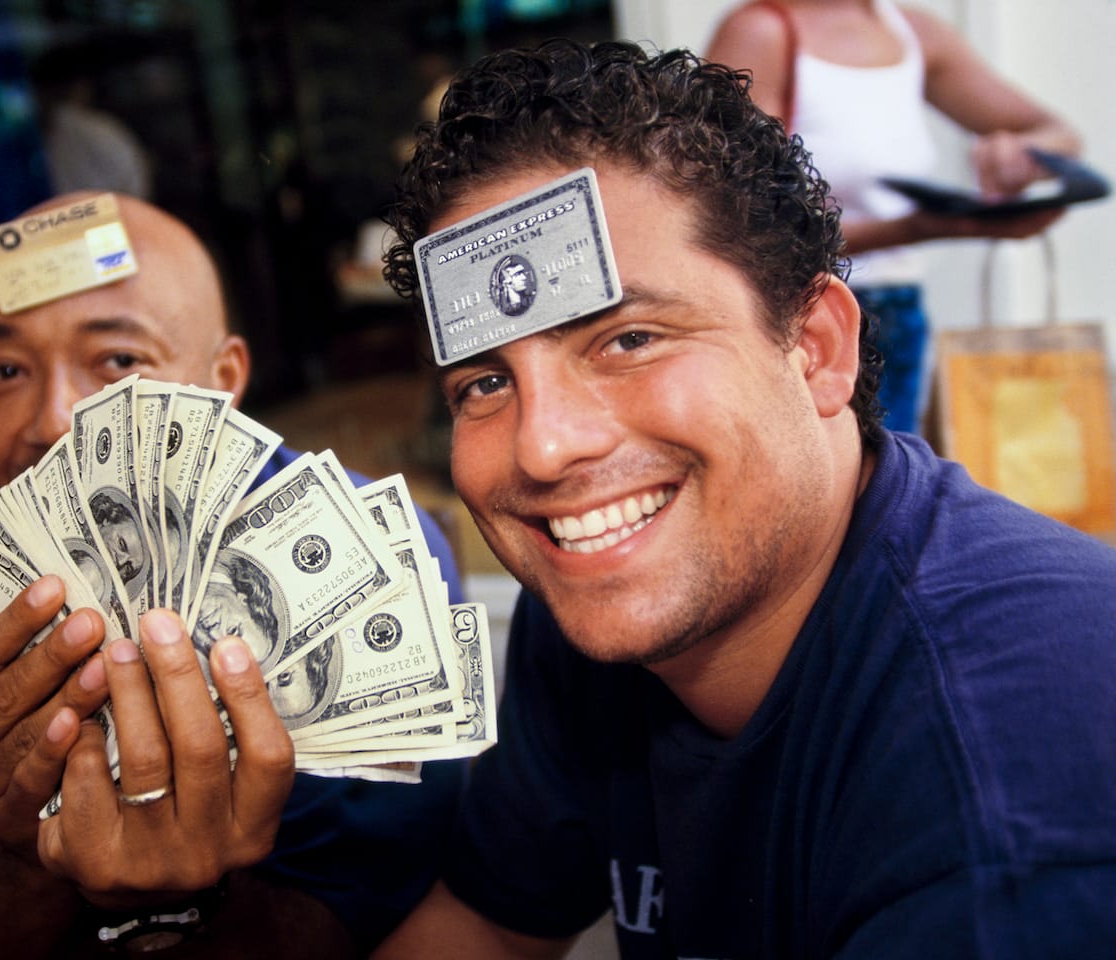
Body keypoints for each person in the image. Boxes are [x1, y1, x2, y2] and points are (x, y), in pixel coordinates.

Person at [362, 40, 1116, 957]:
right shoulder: (604, 602)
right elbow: (490, 927)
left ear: (818, 350)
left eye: (629, 339)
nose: (544, 447)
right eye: (485, 383)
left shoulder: (1004, 812)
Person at [0, 192, 467, 958]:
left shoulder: (367, 563)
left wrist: (179, 891)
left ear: (224, 378)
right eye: (4, 369)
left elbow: (380, 925)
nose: (52, 419)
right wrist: (19, 850)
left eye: (119, 361)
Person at [705, 0, 1082, 433]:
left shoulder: (912, 32)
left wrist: (1023, 155)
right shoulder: (762, 33)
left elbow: (1059, 135)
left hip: (898, 315)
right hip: (803, 318)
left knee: (888, 468)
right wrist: (918, 228)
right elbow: (738, 224)